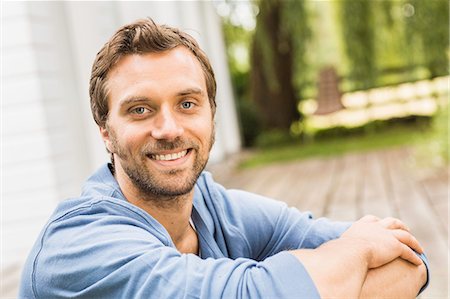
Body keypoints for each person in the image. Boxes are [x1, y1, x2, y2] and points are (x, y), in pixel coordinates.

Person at [19, 18, 428, 299]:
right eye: (140, 109)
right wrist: (355, 253)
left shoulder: (215, 207)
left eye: (187, 103)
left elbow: (413, 261)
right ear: (105, 130)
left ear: (212, 114)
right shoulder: (77, 247)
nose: (169, 129)